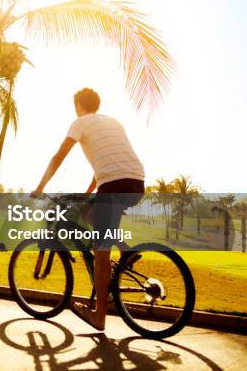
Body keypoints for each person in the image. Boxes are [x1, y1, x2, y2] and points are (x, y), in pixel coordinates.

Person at [31, 88, 145, 330]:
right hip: (135, 183)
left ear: (78, 106)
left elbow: (59, 156)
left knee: (100, 251)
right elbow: (105, 166)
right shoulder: (113, 123)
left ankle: (99, 317)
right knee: (87, 212)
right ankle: (125, 250)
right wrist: (88, 193)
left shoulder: (80, 121)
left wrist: (40, 186)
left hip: (114, 184)